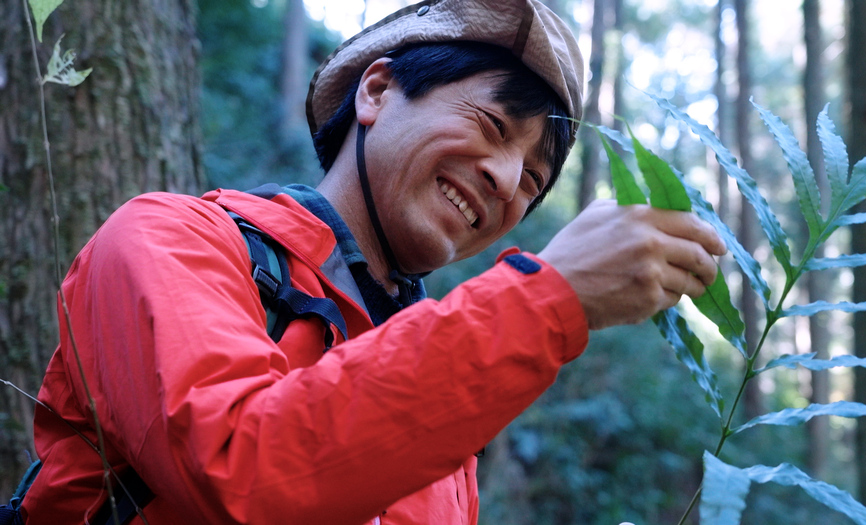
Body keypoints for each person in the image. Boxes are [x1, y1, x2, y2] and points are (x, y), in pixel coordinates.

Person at [18, 0, 725, 523]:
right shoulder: (172, 239)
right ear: (377, 91)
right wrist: (548, 299)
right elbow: (244, 468)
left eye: (534, 180)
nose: (509, 181)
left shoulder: (447, 401)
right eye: (490, 125)